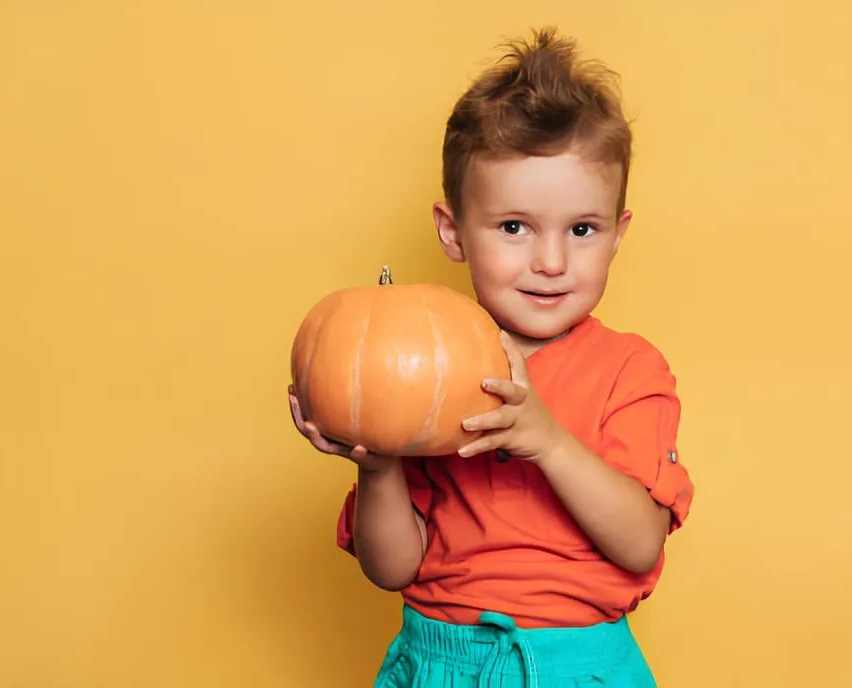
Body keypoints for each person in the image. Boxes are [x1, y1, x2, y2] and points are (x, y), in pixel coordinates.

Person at [288, 28, 694, 687]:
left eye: (582, 229)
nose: (551, 261)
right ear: (453, 232)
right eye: (514, 227)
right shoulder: (422, 367)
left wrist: (546, 440)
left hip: (578, 664)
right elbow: (392, 569)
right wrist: (381, 467)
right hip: (441, 659)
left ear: (617, 235)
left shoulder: (631, 371)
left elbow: (640, 542)